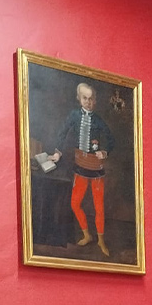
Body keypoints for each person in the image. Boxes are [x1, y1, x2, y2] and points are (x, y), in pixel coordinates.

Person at [48, 83, 115, 256]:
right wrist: (57, 152)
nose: (88, 102)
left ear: (95, 100)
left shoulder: (98, 120)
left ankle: (101, 240)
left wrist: (104, 152)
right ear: (79, 99)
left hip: (96, 168)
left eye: (91, 99)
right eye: (85, 98)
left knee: (99, 208)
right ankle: (87, 234)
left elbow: (110, 138)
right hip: (80, 166)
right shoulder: (74, 115)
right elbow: (63, 132)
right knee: (75, 204)